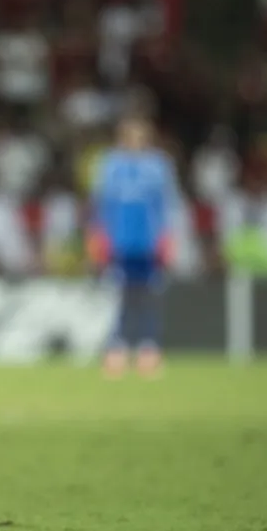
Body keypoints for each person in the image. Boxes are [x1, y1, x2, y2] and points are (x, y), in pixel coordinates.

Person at [86, 115, 180, 377]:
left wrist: (167, 239)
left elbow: (167, 204)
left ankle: (149, 349)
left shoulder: (159, 166)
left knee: (149, 296)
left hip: (148, 242)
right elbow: (100, 204)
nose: (134, 142)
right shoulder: (109, 165)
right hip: (119, 241)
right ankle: (116, 348)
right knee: (121, 297)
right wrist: (97, 237)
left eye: (139, 137)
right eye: (129, 136)